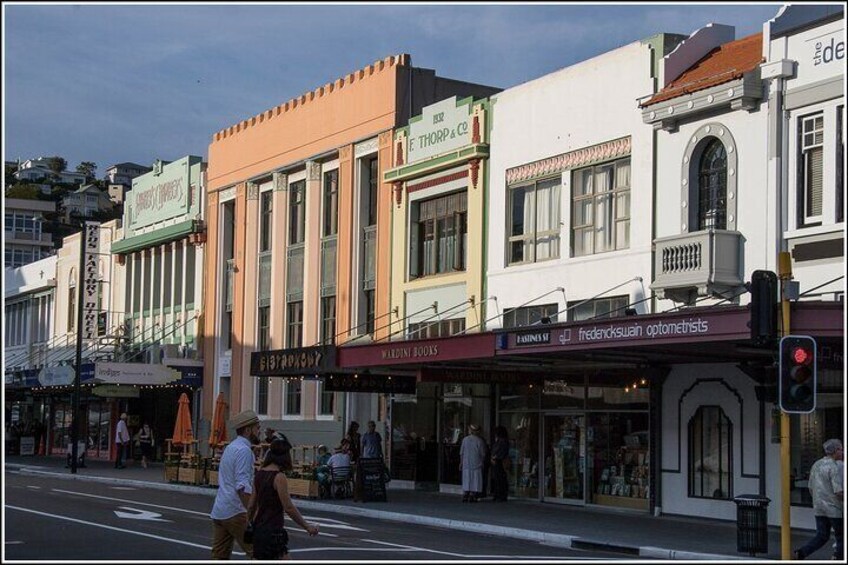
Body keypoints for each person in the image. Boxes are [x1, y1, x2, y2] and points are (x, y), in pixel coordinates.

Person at [248, 432, 319, 559]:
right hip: (273, 529)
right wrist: (307, 526)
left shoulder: (259, 474)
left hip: (259, 528)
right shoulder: (279, 477)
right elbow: (288, 507)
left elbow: (251, 505)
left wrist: (249, 524)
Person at [210, 410, 261, 560]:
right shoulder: (244, 451)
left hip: (220, 510)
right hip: (236, 512)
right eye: (257, 428)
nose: (260, 431)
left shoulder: (230, 447)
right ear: (248, 430)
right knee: (258, 551)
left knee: (219, 556)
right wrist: (252, 514)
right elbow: (242, 486)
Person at [794, 438, 844, 561]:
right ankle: (837, 557)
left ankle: (801, 553)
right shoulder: (833, 467)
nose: (843, 452)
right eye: (841, 449)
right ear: (836, 450)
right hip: (834, 508)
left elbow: (810, 487)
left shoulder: (816, 464)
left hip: (819, 507)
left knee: (822, 535)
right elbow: (838, 491)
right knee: (841, 536)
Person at [459, 424, 488, 502]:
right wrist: (482, 462)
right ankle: (472, 494)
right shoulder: (479, 441)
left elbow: (462, 452)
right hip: (476, 463)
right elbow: (483, 454)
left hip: (466, 463)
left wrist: (461, 462)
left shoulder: (465, 440)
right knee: (475, 479)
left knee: (466, 478)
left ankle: (465, 493)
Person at [490, 425, 510, 502]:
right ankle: (498, 494)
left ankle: (500, 495)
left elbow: (501, 452)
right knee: (498, 478)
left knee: (500, 478)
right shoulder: (500, 441)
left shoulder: (502, 442)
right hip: (497, 462)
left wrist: (495, 457)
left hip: (499, 462)